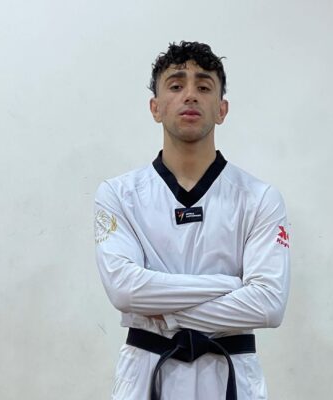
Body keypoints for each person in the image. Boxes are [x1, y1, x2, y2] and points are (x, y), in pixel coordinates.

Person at [93, 41, 291, 400]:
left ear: (222, 109)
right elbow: (125, 289)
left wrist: (164, 314)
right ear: (155, 108)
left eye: (203, 86)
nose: (190, 95)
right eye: (175, 85)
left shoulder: (260, 198)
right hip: (146, 374)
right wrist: (231, 285)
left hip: (230, 375)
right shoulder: (118, 194)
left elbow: (268, 304)